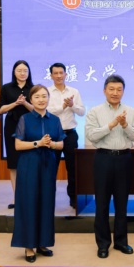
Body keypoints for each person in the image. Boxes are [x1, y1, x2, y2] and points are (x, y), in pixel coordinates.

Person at [85, 74, 134, 259]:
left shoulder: (131, 111)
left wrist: (125, 125)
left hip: (124, 159)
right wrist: (110, 125)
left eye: (119, 89)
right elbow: (91, 136)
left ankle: (121, 242)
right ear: (104, 91)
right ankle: (103, 244)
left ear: (123, 92)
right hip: (103, 158)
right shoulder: (94, 111)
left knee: (121, 203)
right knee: (101, 203)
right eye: (111, 89)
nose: (115, 93)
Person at [11, 85, 65, 263]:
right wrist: (38, 143)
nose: (41, 100)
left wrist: (51, 144)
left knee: (46, 203)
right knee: (29, 203)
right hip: (29, 166)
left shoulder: (55, 120)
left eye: (44, 96)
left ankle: (43, 243)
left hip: (48, 166)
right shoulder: (25, 119)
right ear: (31, 99)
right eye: (37, 97)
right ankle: (29, 246)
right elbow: (18, 145)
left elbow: (61, 144)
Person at [47, 63, 86, 209]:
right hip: (52, 135)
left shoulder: (74, 91)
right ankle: (49, 199)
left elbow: (82, 112)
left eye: (61, 73)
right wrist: (62, 107)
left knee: (73, 168)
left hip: (70, 134)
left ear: (66, 75)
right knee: (51, 168)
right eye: (55, 73)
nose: (59, 76)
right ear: (51, 75)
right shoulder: (46, 92)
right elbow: (46, 111)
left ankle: (74, 198)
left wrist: (72, 105)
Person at [0, 60, 34, 209]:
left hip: (30, 126)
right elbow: (1, 110)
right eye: (19, 70)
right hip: (12, 126)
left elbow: (37, 110)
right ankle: (16, 197)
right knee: (13, 163)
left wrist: (25, 103)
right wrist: (15, 103)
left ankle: (30, 196)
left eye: (25, 70)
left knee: (30, 161)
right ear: (14, 72)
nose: (22, 73)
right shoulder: (6, 88)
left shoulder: (33, 88)